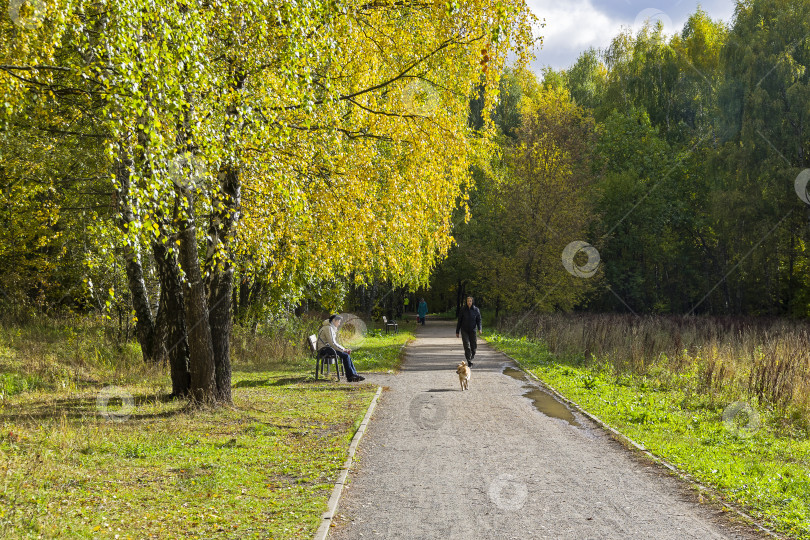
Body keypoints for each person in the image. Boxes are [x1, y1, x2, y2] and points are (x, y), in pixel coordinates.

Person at [318, 315, 365, 382]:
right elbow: (332, 343)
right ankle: (351, 376)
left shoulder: (329, 327)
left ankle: (353, 375)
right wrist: (344, 350)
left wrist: (343, 349)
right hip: (324, 350)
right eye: (338, 322)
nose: (339, 323)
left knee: (346, 355)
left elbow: (333, 343)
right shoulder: (328, 328)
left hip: (327, 348)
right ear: (334, 320)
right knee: (345, 355)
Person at [455, 296, 481, 367]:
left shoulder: (476, 310)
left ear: (472, 302)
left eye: (470, 301)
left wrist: (479, 328)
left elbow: (479, 320)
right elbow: (459, 321)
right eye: (467, 301)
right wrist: (457, 331)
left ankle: (471, 357)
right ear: (466, 302)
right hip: (464, 330)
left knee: (474, 346)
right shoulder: (463, 309)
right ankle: (469, 361)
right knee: (466, 345)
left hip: (473, 330)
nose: (469, 302)